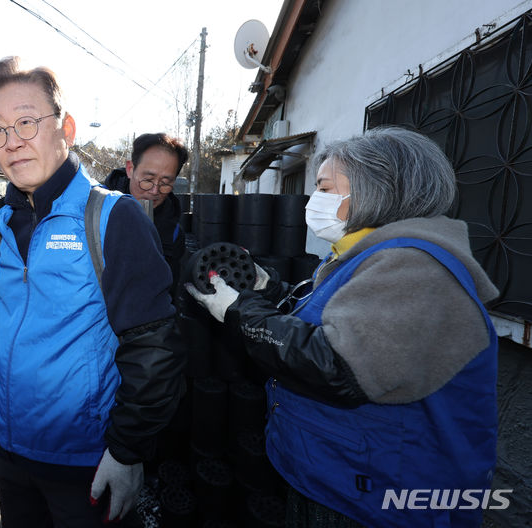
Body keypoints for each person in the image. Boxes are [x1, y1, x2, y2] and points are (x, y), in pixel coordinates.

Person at [186, 127, 499, 528]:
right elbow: (338, 323)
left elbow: (337, 364)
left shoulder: (416, 267)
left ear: (376, 188)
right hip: (340, 482)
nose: (314, 199)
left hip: (377, 505)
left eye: (325, 187)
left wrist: (242, 311)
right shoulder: (370, 257)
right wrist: (274, 292)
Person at [0, 56, 184, 527]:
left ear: (67, 128)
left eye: (26, 122)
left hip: (84, 459)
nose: (11, 142)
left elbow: (155, 349)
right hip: (10, 448)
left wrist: (126, 450)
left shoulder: (113, 218)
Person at [105, 133, 188, 294]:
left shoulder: (173, 234)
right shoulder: (94, 212)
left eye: (165, 183)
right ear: (130, 169)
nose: (155, 191)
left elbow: (168, 293)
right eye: (148, 180)